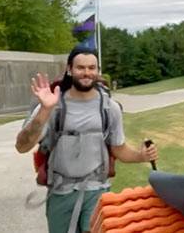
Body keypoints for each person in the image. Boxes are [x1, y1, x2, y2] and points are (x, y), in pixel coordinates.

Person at [17, 46, 159, 233]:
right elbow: (22, 146)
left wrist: (140, 156)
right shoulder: (52, 104)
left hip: (97, 191)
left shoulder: (110, 108)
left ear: (98, 71)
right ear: (69, 69)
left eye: (92, 68)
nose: (87, 73)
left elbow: (119, 149)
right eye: (81, 67)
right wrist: (44, 111)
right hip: (61, 192)